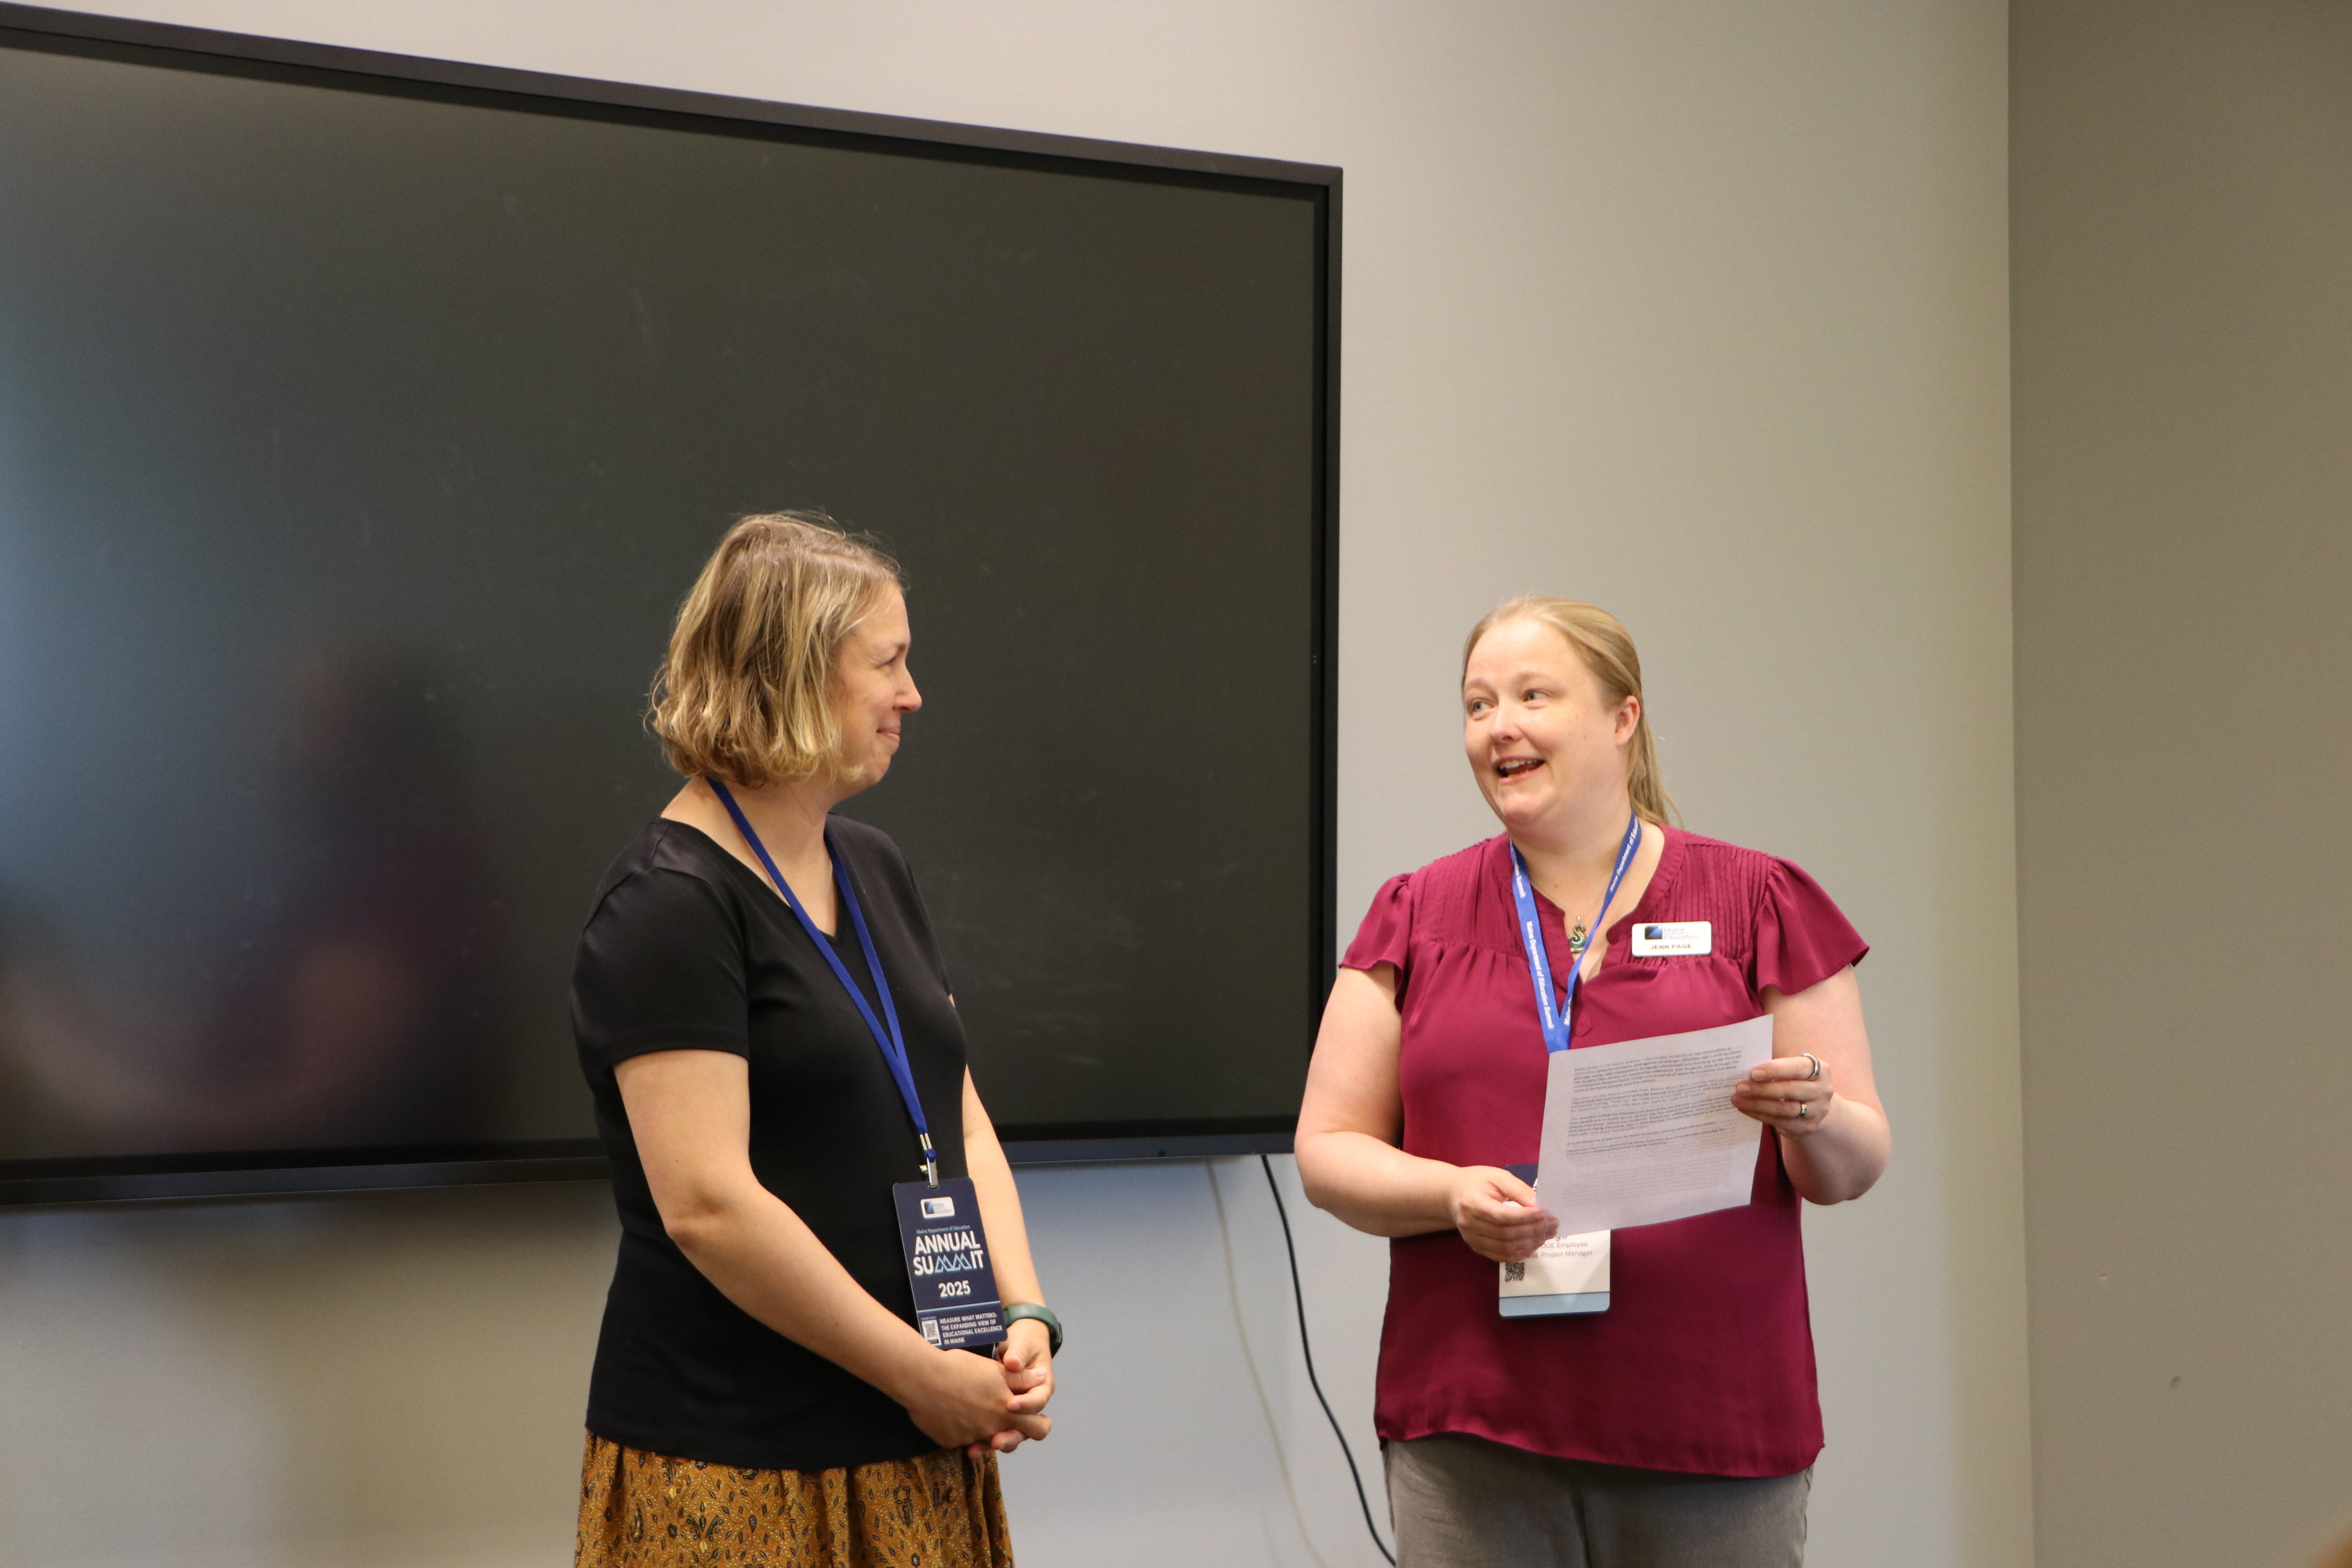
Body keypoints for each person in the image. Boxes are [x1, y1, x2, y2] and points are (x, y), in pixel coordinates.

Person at [1295, 596, 1890, 1568]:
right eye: (1479, 703)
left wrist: (1812, 1116)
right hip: (1473, 1431)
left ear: (1623, 716)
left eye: (1534, 695)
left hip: (1710, 1425)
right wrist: (1451, 1193)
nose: (1501, 725)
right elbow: (1326, 1151)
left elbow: (1852, 1167)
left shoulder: (1760, 900)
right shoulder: (1415, 912)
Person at [570, 513, 1059, 1568]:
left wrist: (1020, 1309)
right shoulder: (668, 901)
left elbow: (957, 1116)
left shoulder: (874, 864)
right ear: (791, 675)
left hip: (921, 1433)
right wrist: (921, 1376)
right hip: (739, 1465)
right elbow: (708, 1206)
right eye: (887, 663)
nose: (912, 695)